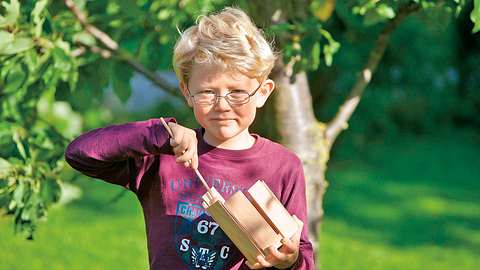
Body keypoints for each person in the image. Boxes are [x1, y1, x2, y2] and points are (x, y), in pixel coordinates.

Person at [65, 7, 315, 270]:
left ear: (263, 93)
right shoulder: (162, 156)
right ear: (187, 92)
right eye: (207, 92)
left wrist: (290, 260)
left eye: (237, 92)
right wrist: (160, 133)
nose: (222, 105)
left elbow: (304, 257)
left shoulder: (283, 166)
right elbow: (80, 153)